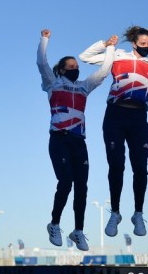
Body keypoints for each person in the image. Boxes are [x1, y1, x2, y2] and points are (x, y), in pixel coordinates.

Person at [79, 26, 148, 237]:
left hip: (139, 118)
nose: (147, 47)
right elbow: (84, 57)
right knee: (116, 166)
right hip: (115, 115)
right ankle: (115, 213)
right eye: (143, 44)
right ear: (133, 43)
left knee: (140, 168)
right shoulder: (117, 56)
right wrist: (105, 45)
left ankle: (138, 214)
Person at [38, 29, 117, 251]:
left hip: (78, 142)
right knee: (66, 183)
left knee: (82, 186)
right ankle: (54, 224)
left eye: (77, 67)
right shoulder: (52, 82)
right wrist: (44, 40)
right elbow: (41, 63)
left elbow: (103, 72)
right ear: (61, 70)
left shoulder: (84, 86)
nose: (76, 69)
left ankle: (78, 230)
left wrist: (109, 48)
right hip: (59, 140)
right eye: (71, 67)